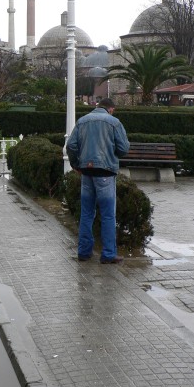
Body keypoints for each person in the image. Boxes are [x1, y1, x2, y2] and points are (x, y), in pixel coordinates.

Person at [66, 98, 130, 264]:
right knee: (108, 214)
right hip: (106, 172)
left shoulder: (82, 121)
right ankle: (108, 254)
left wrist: (75, 164)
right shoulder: (114, 122)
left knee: (86, 213)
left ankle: (84, 252)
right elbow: (123, 149)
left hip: (86, 172)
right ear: (111, 109)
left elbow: (71, 146)